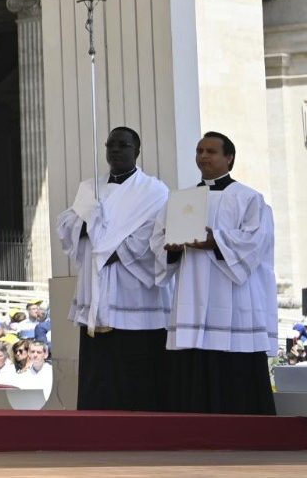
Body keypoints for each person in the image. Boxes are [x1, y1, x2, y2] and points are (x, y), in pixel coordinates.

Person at [154, 131, 278, 415]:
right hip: (191, 294)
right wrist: (172, 248)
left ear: (229, 158)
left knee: (235, 371)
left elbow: (255, 242)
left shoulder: (249, 198)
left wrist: (216, 241)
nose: (203, 156)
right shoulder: (180, 200)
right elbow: (157, 241)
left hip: (234, 298)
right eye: (199, 151)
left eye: (211, 151)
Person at [56, 126, 172, 411]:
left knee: (135, 368)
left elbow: (154, 232)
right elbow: (67, 226)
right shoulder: (90, 189)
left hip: (132, 286)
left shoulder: (153, 190)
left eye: (123, 145)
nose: (115, 150)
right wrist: (86, 220)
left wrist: (113, 251)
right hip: (96, 285)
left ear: (137, 151)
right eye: (111, 145)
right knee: (99, 370)